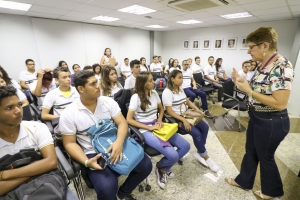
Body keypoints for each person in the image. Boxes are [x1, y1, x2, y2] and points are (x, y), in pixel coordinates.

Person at [59, 70, 152, 200]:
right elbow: (69, 143)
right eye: (93, 84)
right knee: (107, 188)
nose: (98, 86)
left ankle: (123, 193)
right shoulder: (69, 113)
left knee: (146, 166)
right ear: (81, 88)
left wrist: (119, 142)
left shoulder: (108, 102)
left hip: (115, 141)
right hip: (94, 153)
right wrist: (86, 162)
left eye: (97, 82)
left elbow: (122, 123)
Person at [226, 27, 294, 199]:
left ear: (265, 45)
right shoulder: (263, 64)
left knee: (266, 157)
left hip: (271, 121)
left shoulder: (282, 65)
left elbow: (280, 103)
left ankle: (271, 191)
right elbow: (260, 89)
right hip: (257, 117)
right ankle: (244, 181)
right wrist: (241, 82)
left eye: (251, 47)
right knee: (251, 151)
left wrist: (248, 91)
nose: (248, 51)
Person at [0, 86, 78, 199]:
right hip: (11, 193)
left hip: (47, 183)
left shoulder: (37, 128)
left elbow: (51, 162)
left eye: (19, 105)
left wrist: (5, 175)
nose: (18, 111)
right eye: (9, 108)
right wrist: (36, 169)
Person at [126, 71, 190, 189]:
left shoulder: (154, 93)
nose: (153, 82)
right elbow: (129, 120)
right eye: (150, 80)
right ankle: (162, 168)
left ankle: (162, 168)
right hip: (145, 129)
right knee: (174, 155)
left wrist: (159, 120)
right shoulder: (136, 97)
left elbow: (161, 110)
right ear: (143, 84)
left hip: (157, 125)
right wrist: (150, 127)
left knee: (186, 146)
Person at [162, 70, 219, 172]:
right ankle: (206, 157)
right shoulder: (167, 92)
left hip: (186, 115)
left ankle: (200, 151)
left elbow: (187, 101)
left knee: (205, 127)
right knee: (196, 133)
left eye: (182, 77)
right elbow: (169, 112)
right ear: (172, 79)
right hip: (176, 118)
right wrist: (183, 120)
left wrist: (196, 109)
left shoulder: (180, 88)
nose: (182, 80)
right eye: (179, 77)